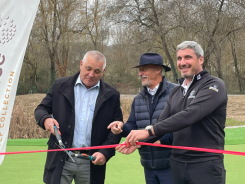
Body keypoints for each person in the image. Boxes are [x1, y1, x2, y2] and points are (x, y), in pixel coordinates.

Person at [123, 41, 227, 184]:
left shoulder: (214, 85)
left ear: (200, 59)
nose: (182, 62)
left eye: (187, 57)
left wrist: (148, 131)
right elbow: (161, 122)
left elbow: (191, 115)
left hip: (205, 164)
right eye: (179, 58)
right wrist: (140, 142)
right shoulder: (177, 91)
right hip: (177, 165)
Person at [34, 51, 123, 184]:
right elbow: (41, 109)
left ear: (103, 71)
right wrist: (46, 119)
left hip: (92, 162)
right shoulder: (60, 85)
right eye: (88, 69)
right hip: (61, 158)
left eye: (97, 71)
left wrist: (105, 152)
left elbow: (116, 129)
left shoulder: (112, 95)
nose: (91, 74)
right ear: (81, 64)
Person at [108, 53, 177, 184]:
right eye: (140, 70)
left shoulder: (176, 92)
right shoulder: (138, 99)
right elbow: (133, 127)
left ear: (158, 69)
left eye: (144, 69)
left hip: (172, 166)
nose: (140, 73)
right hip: (148, 167)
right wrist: (122, 127)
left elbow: (182, 127)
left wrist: (160, 140)